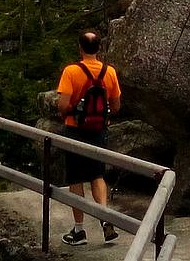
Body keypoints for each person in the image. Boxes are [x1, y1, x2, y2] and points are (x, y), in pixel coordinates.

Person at [55, 30, 123, 246]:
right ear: (99, 48)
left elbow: (64, 104)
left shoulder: (71, 71)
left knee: (76, 179)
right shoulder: (109, 72)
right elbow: (117, 105)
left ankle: (79, 230)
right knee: (97, 175)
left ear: (80, 48)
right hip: (99, 130)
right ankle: (105, 219)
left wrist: (69, 111)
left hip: (75, 129)